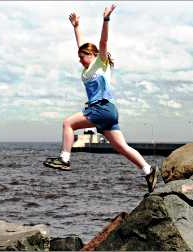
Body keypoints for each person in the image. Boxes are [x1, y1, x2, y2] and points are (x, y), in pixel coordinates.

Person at [43, 4, 158, 193]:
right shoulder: (87, 69)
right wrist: (76, 27)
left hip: (102, 108)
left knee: (68, 123)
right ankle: (148, 170)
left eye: (83, 57)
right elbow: (81, 46)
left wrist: (106, 20)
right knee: (121, 147)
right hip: (108, 112)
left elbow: (102, 43)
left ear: (93, 55)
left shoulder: (101, 63)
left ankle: (64, 159)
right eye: (79, 57)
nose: (80, 60)